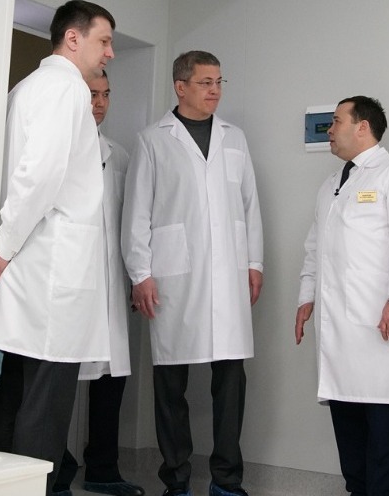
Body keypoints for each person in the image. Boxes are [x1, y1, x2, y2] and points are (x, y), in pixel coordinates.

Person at [0, 0, 116, 494]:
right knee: (44, 406)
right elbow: (38, 175)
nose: (109, 53)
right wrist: (5, 247)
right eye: (104, 41)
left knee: (15, 393)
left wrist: (7, 247)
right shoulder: (66, 89)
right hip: (52, 269)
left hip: (35, 268)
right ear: (73, 38)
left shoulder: (27, 87)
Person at [123, 51, 264, 496]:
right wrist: (140, 273)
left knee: (231, 383)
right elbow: (137, 213)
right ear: (180, 86)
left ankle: (227, 481)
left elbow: (250, 207)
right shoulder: (152, 140)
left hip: (229, 274)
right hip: (173, 277)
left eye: (219, 82)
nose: (215, 90)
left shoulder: (234, 139)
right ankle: (177, 480)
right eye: (205, 82)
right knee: (170, 383)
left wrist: (254, 263)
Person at [294, 96, 389, 496]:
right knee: (346, 416)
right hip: (335, 324)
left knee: (380, 417)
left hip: (377, 320)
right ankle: (356, 489)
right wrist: (306, 297)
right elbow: (314, 247)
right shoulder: (331, 185)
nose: (329, 130)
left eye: (337, 121)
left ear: (363, 127)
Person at [53, 71, 144, 496]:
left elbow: (130, 222)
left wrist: (134, 276)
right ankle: (55, 472)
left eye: (106, 94)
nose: (101, 102)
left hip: (109, 284)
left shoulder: (119, 155)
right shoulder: (59, 149)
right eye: (93, 94)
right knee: (56, 383)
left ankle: (103, 469)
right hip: (68, 283)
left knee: (111, 380)